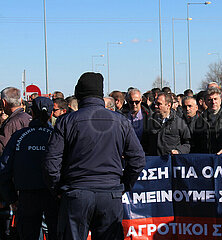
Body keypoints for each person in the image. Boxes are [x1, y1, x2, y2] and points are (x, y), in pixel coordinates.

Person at [42, 72, 146, 240]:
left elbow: (51, 163)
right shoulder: (121, 121)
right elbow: (138, 159)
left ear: (79, 95)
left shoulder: (66, 121)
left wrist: (59, 189)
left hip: (77, 193)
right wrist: (123, 185)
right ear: (100, 94)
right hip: (108, 193)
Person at [0, 97, 58, 240]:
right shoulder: (57, 135)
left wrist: (11, 198)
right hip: (53, 194)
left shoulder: (20, 136)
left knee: (28, 234)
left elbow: (4, 168)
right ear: (51, 114)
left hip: (27, 196)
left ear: (31, 112)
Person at [0, 87, 32, 155]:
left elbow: (3, 149)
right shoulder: (29, 118)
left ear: (4, 102)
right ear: (20, 100)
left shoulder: (11, 123)